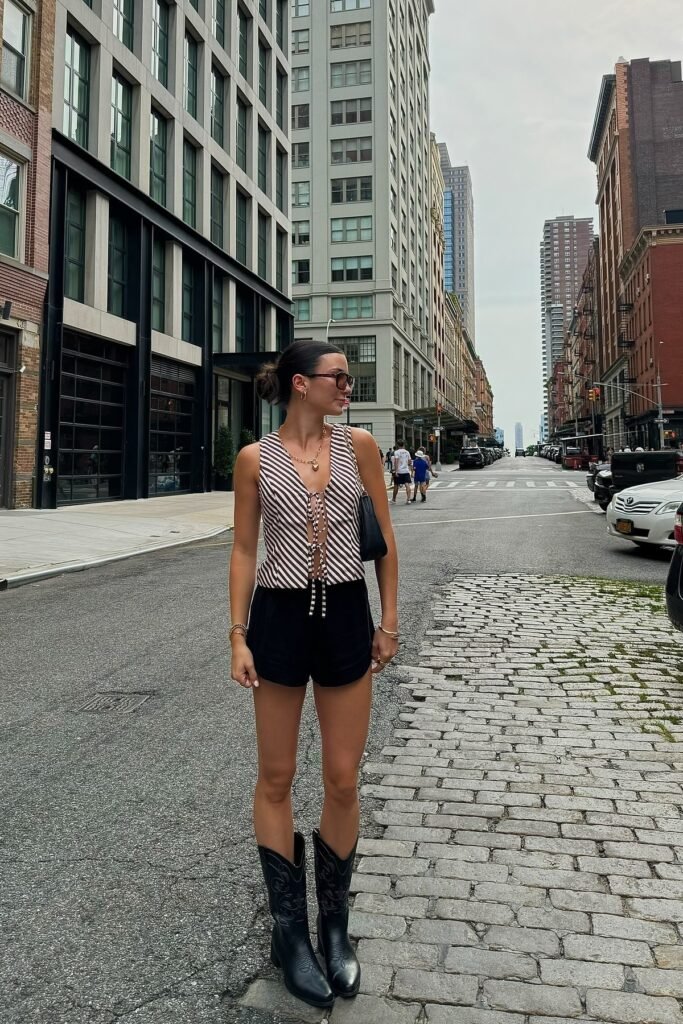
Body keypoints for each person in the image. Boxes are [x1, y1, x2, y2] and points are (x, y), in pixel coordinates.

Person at [228, 340, 399, 1010]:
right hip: (277, 617)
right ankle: (288, 934)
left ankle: (334, 925)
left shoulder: (358, 446)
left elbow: (382, 538)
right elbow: (244, 548)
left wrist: (388, 622)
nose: (347, 388)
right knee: (275, 777)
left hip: (345, 617)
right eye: (338, 378)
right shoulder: (253, 459)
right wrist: (236, 633)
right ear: (301, 383)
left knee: (342, 776)